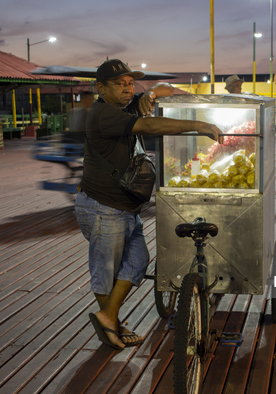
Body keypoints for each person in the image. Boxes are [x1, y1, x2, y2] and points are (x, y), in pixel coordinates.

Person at [75, 59, 221, 350]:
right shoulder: (104, 114)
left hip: (126, 209)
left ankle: (109, 317)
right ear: (101, 88)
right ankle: (111, 322)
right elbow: (151, 125)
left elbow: (164, 90)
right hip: (104, 207)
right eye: (120, 84)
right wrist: (199, 125)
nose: (128, 88)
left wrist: (150, 93)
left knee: (139, 261)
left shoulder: (122, 108)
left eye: (131, 83)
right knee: (105, 272)